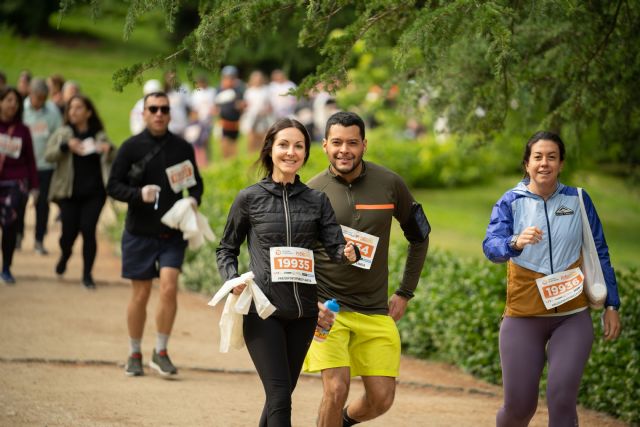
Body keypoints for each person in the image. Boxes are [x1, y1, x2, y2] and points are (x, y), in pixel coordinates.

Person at [216, 118, 359, 426]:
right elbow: (226, 248)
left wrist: (349, 252)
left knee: (278, 396)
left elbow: (337, 247)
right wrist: (231, 279)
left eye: (298, 146)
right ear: (270, 150)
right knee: (280, 397)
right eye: (283, 145)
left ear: (306, 153)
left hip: (304, 314)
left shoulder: (317, 200)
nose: (290, 152)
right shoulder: (249, 198)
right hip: (263, 310)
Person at [482, 131, 622, 426]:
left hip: (571, 317)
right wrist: (515, 242)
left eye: (552, 157)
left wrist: (612, 305)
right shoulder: (511, 201)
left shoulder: (578, 199)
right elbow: (491, 247)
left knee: (561, 400)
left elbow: (600, 251)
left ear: (560, 164)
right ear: (526, 164)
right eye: (538, 157)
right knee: (519, 408)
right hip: (523, 316)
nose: (544, 163)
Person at [303, 111, 431, 426]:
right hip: (328, 310)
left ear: (364, 145)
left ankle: (342, 422)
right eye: (336, 142)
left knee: (381, 399)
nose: (344, 150)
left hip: (375, 310)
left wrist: (405, 292)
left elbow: (420, 237)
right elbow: (298, 252)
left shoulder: (390, 184)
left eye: (352, 142)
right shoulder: (311, 192)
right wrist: (309, 301)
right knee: (336, 389)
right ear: (324, 145)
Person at [107, 91, 204, 377]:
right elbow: (112, 186)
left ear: (170, 114)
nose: (159, 113)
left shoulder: (182, 148)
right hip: (139, 232)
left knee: (169, 286)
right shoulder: (130, 147)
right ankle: (134, 352)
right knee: (140, 294)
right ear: (144, 113)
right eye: (154, 109)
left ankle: (160, 351)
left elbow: (196, 184)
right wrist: (138, 194)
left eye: (164, 109)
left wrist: (193, 201)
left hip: (171, 233)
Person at [45, 95, 116, 289]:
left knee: (88, 229)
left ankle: (87, 275)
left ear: (88, 112)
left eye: (78, 108)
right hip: (69, 193)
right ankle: (65, 254)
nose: (73, 112)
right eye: (71, 108)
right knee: (68, 234)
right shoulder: (64, 133)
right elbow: (48, 155)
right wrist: (66, 146)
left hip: (95, 193)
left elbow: (115, 156)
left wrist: (108, 149)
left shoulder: (98, 135)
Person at [0, 87, 39, 284]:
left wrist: (34, 186)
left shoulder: (23, 130)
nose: (12, 104)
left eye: (15, 101)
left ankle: (6, 267)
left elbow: (31, 159)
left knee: (9, 226)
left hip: (16, 182)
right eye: (8, 100)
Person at [23, 77, 63, 255]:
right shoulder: (21, 109)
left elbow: (58, 135)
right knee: (20, 201)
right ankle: (17, 235)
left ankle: (39, 240)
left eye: (43, 97)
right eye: (37, 97)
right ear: (30, 94)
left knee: (43, 204)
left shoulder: (53, 111)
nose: (40, 101)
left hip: (45, 166)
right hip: (23, 166)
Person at [214, 65, 245, 158]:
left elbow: (242, 105)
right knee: (224, 145)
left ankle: (232, 164)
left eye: (232, 77)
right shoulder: (218, 89)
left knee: (233, 146)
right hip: (223, 122)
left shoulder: (239, 90)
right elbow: (215, 106)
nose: (230, 80)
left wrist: (241, 106)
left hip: (235, 122)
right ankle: (226, 163)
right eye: (227, 77)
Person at [242, 70, 272, 153]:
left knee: (263, 136)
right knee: (251, 136)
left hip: (263, 116)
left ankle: (260, 154)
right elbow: (246, 105)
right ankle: (251, 154)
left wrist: (267, 111)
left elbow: (269, 105)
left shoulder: (266, 90)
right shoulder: (249, 91)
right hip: (252, 116)